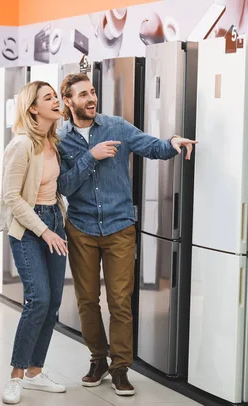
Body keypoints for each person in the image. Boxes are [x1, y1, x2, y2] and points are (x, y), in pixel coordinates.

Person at [57, 73, 197, 396]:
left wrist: (172, 143)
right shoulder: (61, 140)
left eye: (92, 92)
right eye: (83, 95)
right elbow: (62, 186)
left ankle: (121, 367)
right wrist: (91, 157)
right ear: (68, 102)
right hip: (81, 229)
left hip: (120, 226)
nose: (91, 98)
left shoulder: (116, 126)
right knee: (87, 301)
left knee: (120, 301)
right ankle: (98, 358)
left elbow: (151, 146)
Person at [0, 80, 70, 404]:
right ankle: (16, 375)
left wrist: (58, 222)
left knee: (53, 303)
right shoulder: (22, 144)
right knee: (38, 299)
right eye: (48, 98)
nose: (56, 100)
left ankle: (35, 371)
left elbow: (56, 189)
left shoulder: (54, 142)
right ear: (32, 108)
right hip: (29, 229)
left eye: (56, 96)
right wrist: (44, 230)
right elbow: (12, 197)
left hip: (54, 221)